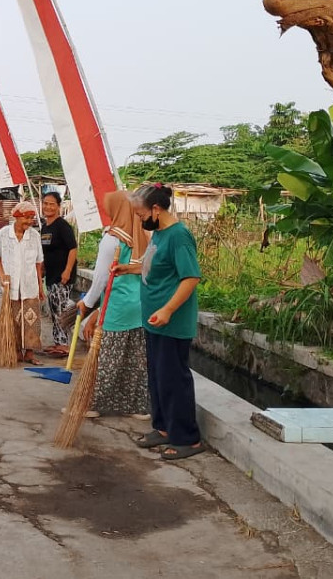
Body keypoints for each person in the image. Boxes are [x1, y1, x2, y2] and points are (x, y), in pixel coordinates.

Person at [126, 182, 206, 459]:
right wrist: (130, 267)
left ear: (156, 209)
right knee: (158, 377)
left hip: (171, 323)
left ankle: (188, 438)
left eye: (141, 214)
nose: (140, 219)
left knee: (173, 379)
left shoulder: (179, 236)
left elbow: (190, 277)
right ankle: (163, 428)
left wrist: (168, 309)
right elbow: (157, 266)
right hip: (154, 320)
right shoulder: (159, 234)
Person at [76, 189, 151, 417]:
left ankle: (96, 405)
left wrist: (87, 304)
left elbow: (101, 278)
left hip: (117, 305)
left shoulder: (112, 239)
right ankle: (137, 407)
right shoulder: (143, 236)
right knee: (135, 358)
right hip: (140, 306)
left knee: (107, 356)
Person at [0, 200, 45, 365]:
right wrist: (1, 275)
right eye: (26, 218)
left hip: (30, 285)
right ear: (17, 217)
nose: (29, 222)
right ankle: (14, 351)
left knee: (31, 319)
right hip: (10, 285)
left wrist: (40, 286)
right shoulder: (3, 234)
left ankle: (29, 353)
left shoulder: (34, 236)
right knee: (12, 319)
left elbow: (38, 263)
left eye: (32, 218)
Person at [38, 191, 77, 356]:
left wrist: (67, 271)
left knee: (60, 309)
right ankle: (58, 342)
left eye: (51, 204)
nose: (47, 207)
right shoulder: (45, 227)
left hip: (63, 276)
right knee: (54, 309)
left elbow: (73, 249)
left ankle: (64, 345)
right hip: (51, 275)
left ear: (58, 206)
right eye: (45, 203)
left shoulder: (62, 225)